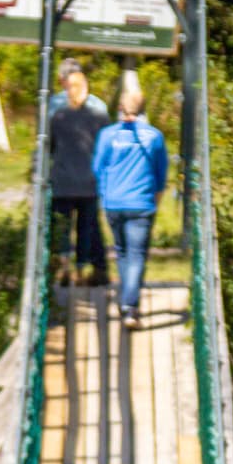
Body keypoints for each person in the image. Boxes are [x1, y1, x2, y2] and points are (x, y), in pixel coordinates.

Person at [91, 76, 169, 326]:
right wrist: (156, 197)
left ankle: (127, 301)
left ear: (120, 107)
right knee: (136, 255)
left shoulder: (107, 135)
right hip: (142, 203)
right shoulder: (154, 137)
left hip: (114, 202)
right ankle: (130, 306)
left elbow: (97, 167)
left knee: (122, 252)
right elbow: (161, 174)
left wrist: (105, 191)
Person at [49, 61, 109, 285]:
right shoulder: (99, 112)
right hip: (89, 181)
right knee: (87, 228)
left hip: (62, 181)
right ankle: (82, 269)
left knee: (62, 227)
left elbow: (50, 147)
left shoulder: (58, 114)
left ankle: (63, 267)